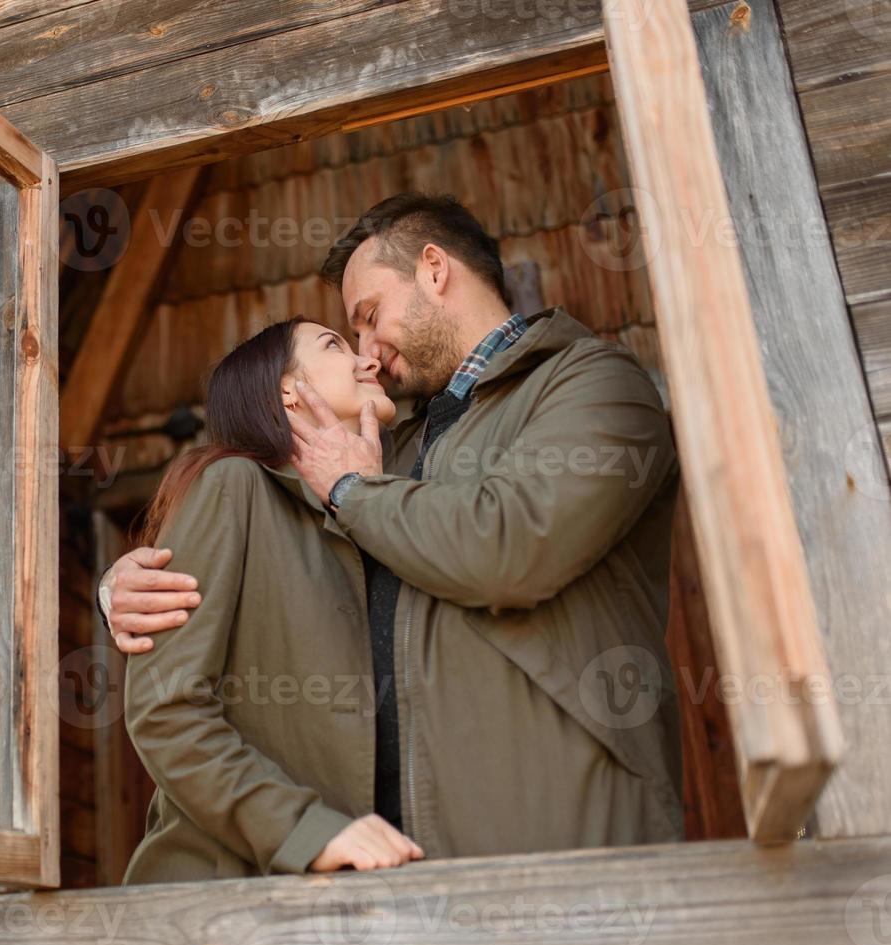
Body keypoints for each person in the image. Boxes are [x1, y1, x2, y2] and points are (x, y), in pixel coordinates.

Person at [105, 193, 685, 868]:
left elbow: (511, 547)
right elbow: (192, 668)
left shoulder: (594, 384)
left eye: (368, 318)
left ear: (435, 270)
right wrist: (118, 584)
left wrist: (354, 491)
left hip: (578, 836)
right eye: (345, 338)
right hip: (399, 871)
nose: (366, 353)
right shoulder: (390, 451)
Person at [121, 315, 425, 885]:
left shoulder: (381, 516)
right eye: (335, 344)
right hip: (219, 901)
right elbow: (166, 709)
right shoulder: (232, 487)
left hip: (360, 903)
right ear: (288, 391)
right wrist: (304, 830)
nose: (368, 360)